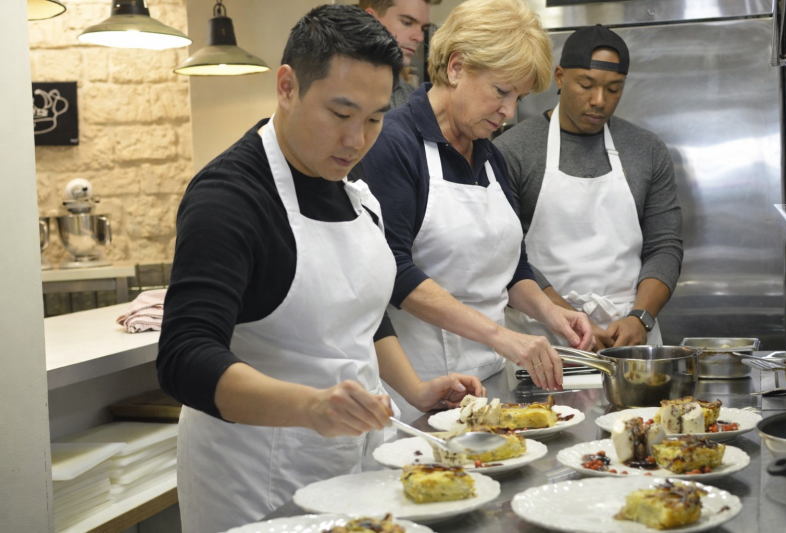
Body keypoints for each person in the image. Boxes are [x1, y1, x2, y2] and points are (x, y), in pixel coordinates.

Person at [157, 6, 484, 532]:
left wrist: (415, 389)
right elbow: (184, 358)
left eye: (374, 118)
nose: (357, 140)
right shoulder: (229, 198)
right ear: (287, 87)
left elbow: (361, 312)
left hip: (352, 469)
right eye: (340, 113)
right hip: (254, 481)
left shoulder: (355, 194)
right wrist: (309, 407)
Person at [359, 0, 594, 422]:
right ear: (456, 68)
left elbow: (512, 267)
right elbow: (392, 271)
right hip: (418, 392)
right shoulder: (393, 144)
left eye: (519, 97)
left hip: (488, 382)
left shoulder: (490, 156)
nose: (509, 112)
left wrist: (552, 313)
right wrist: (500, 335)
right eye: (501, 91)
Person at [495, 25, 683, 350]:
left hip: (627, 342)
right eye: (586, 85)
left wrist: (640, 318)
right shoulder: (513, 149)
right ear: (560, 77)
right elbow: (506, 253)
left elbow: (664, 246)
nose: (599, 101)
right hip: (542, 339)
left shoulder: (646, 150)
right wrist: (568, 318)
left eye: (614, 89)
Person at [360, 0, 431, 108]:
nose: (419, 37)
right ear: (371, 20)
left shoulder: (414, 102)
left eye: (423, 29)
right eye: (407, 22)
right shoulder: (336, 84)